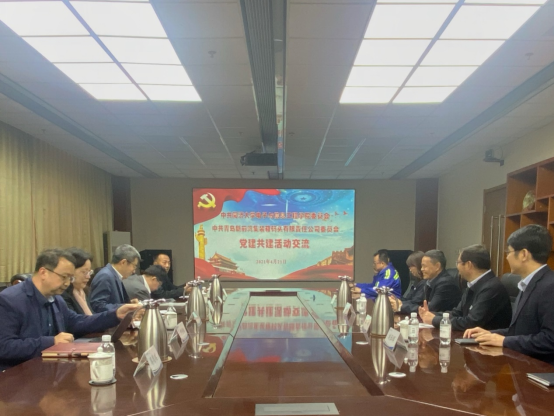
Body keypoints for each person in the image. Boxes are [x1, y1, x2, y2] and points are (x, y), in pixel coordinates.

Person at [0, 249, 139, 371]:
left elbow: (78, 322)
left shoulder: (56, 299)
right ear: (43, 272)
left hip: (50, 370)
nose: (67, 283)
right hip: (18, 377)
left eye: (70, 278)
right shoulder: (10, 300)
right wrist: (51, 342)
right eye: (64, 277)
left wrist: (115, 314)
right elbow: (4, 346)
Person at [464, 224, 554, 365]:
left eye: (509, 252)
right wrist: (491, 334)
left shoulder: (550, 286)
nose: (507, 257)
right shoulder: (527, 284)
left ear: (523, 254)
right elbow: (520, 331)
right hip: (522, 364)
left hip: (541, 370)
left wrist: (505, 341)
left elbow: (550, 340)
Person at [419, 245, 512, 331]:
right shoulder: (473, 284)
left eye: (458, 263)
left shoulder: (492, 288)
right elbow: (457, 313)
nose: (457, 267)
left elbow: (471, 323)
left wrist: (435, 320)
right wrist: (431, 315)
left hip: (487, 341)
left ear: (468, 265)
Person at [90, 244, 141, 313]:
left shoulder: (114, 275)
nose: (134, 271)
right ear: (123, 262)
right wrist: (124, 307)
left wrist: (129, 304)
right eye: (134, 266)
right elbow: (98, 305)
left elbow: (113, 301)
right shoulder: (105, 276)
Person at [61, 248, 94, 315]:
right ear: (70, 271)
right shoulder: (63, 295)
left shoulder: (84, 292)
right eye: (84, 272)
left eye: (89, 272)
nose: (88, 277)